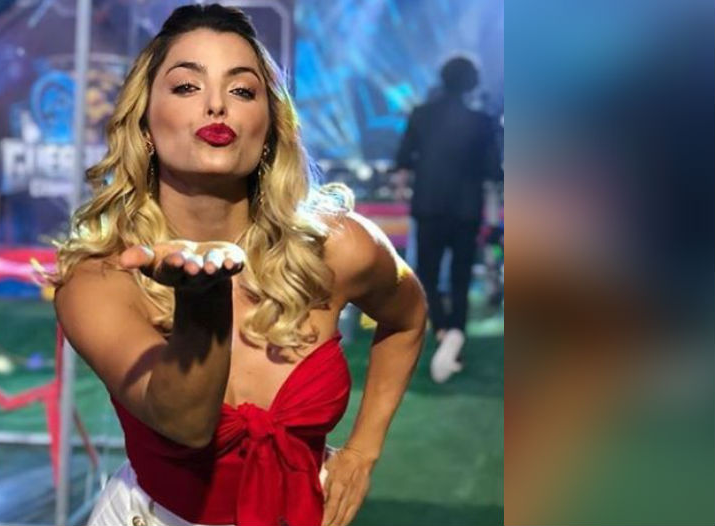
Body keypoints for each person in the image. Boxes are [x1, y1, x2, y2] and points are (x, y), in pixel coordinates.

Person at [52, 5, 426, 526]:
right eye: (187, 86)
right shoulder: (98, 280)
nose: (216, 105)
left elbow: (408, 318)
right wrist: (201, 300)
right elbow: (185, 425)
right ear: (144, 125)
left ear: (269, 127)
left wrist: (363, 452)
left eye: (242, 90)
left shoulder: (338, 246)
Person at [393, 56, 503, 383]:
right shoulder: (483, 121)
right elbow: (493, 170)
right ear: (472, 82)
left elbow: (403, 159)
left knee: (426, 273)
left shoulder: (421, 114)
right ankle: (456, 332)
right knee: (460, 277)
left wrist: (403, 188)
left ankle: (441, 329)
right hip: (466, 210)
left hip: (428, 205)